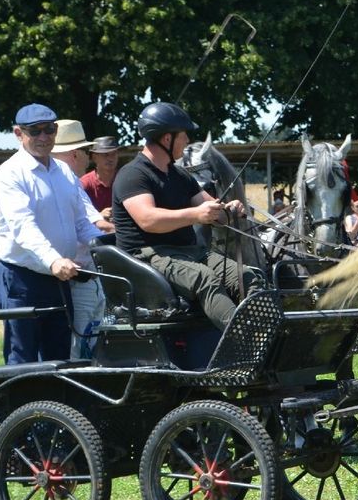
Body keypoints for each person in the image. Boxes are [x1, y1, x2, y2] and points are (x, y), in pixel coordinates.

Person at [112, 101, 264, 330]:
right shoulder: (133, 174)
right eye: (183, 136)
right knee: (205, 279)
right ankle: (245, 339)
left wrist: (228, 210)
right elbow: (148, 220)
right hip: (149, 256)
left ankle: (266, 330)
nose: (187, 142)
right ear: (167, 139)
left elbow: (210, 209)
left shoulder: (180, 175)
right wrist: (196, 215)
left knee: (249, 276)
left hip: (190, 252)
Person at [0, 103, 104, 363]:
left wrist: (107, 247)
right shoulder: (9, 174)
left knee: (60, 355)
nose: (44, 137)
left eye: (50, 130)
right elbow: (23, 226)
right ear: (19, 134)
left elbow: (82, 223)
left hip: (59, 280)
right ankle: (23, 405)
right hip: (21, 279)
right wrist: (53, 260)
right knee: (23, 356)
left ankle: (54, 405)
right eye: (35, 131)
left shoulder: (64, 171)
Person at [52, 120, 109, 357]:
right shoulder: (68, 183)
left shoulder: (70, 183)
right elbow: (94, 226)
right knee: (79, 347)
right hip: (79, 279)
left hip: (89, 277)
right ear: (76, 154)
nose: (89, 158)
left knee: (90, 342)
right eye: (87, 151)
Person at [81, 135, 122, 220]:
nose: (110, 158)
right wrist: (99, 216)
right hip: (97, 232)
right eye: (105, 155)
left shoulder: (126, 180)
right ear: (94, 157)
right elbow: (79, 218)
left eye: (113, 154)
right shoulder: (85, 183)